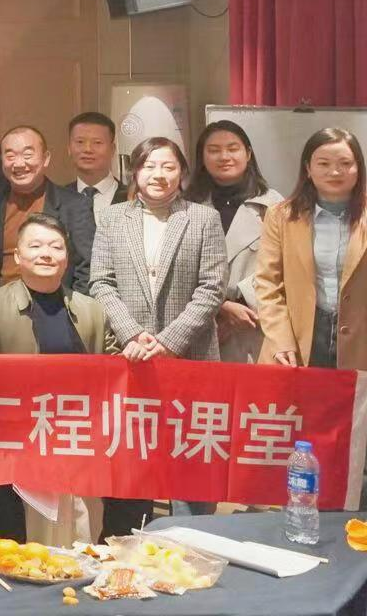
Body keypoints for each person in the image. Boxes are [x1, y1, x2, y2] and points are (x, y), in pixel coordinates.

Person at [91, 136, 227, 529]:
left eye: (168, 166)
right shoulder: (113, 218)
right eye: (149, 166)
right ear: (135, 171)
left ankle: (193, 541)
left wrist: (169, 341)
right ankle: (131, 542)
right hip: (130, 357)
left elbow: (212, 287)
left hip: (191, 356)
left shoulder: (203, 218)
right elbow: (100, 282)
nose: (159, 174)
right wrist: (132, 334)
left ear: (182, 172)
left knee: (192, 458)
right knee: (133, 459)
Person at [0, 214, 113, 544]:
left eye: (56, 247)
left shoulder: (92, 310)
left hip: (74, 438)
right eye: (36, 246)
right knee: (14, 539)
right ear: (17, 256)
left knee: (76, 536)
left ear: (67, 258)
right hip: (12, 440)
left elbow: (114, 368)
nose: (46, 254)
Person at [255, 127, 367, 371]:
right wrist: (281, 338)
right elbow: (267, 283)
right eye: (323, 163)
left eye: (345, 163)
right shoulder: (281, 216)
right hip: (297, 339)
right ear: (308, 169)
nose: (335, 172)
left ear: (358, 168)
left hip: (360, 342)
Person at [0, 126, 95, 310]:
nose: (19, 163)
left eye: (28, 155)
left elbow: (86, 268)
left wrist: (72, 312)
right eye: (10, 156)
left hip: (58, 310)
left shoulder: (75, 205)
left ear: (45, 158)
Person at [184, 120, 284, 363]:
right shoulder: (186, 206)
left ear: (248, 153)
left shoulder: (274, 206)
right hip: (200, 327)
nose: (224, 157)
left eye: (232, 148)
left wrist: (241, 302)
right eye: (214, 150)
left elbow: (287, 269)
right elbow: (177, 269)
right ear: (202, 157)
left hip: (254, 325)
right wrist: (221, 306)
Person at [67, 112, 125, 213]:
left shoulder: (133, 199)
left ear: (112, 149)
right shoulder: (55, 199)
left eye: (97, 142)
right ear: (69, 148)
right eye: (80, 142)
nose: (88, 149)